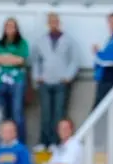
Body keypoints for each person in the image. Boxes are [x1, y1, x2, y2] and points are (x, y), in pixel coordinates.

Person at [31, 13, 79, 151]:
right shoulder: (41, 41)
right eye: (51, 22)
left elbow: (74, 60)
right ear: (48, 24)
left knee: (59, 113)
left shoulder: (68, 40)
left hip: (61, 82)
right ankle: (44, 141)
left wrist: (68, 76)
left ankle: (56, 142)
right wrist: (37, 75)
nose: (54, 24)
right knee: (45, 113)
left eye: (56, 22)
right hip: (45, 81)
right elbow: (36, 60)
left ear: (59, 23)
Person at [0, 18, 29, 143]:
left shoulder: (22, 43)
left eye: (12, 26)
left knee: (17, 112)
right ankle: (3, 141)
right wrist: (11, 58)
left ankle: (20, 143)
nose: (9, 29)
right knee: (1, 112)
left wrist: (3, 58)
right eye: (7, 26)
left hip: (17, 80)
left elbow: (21, 60)